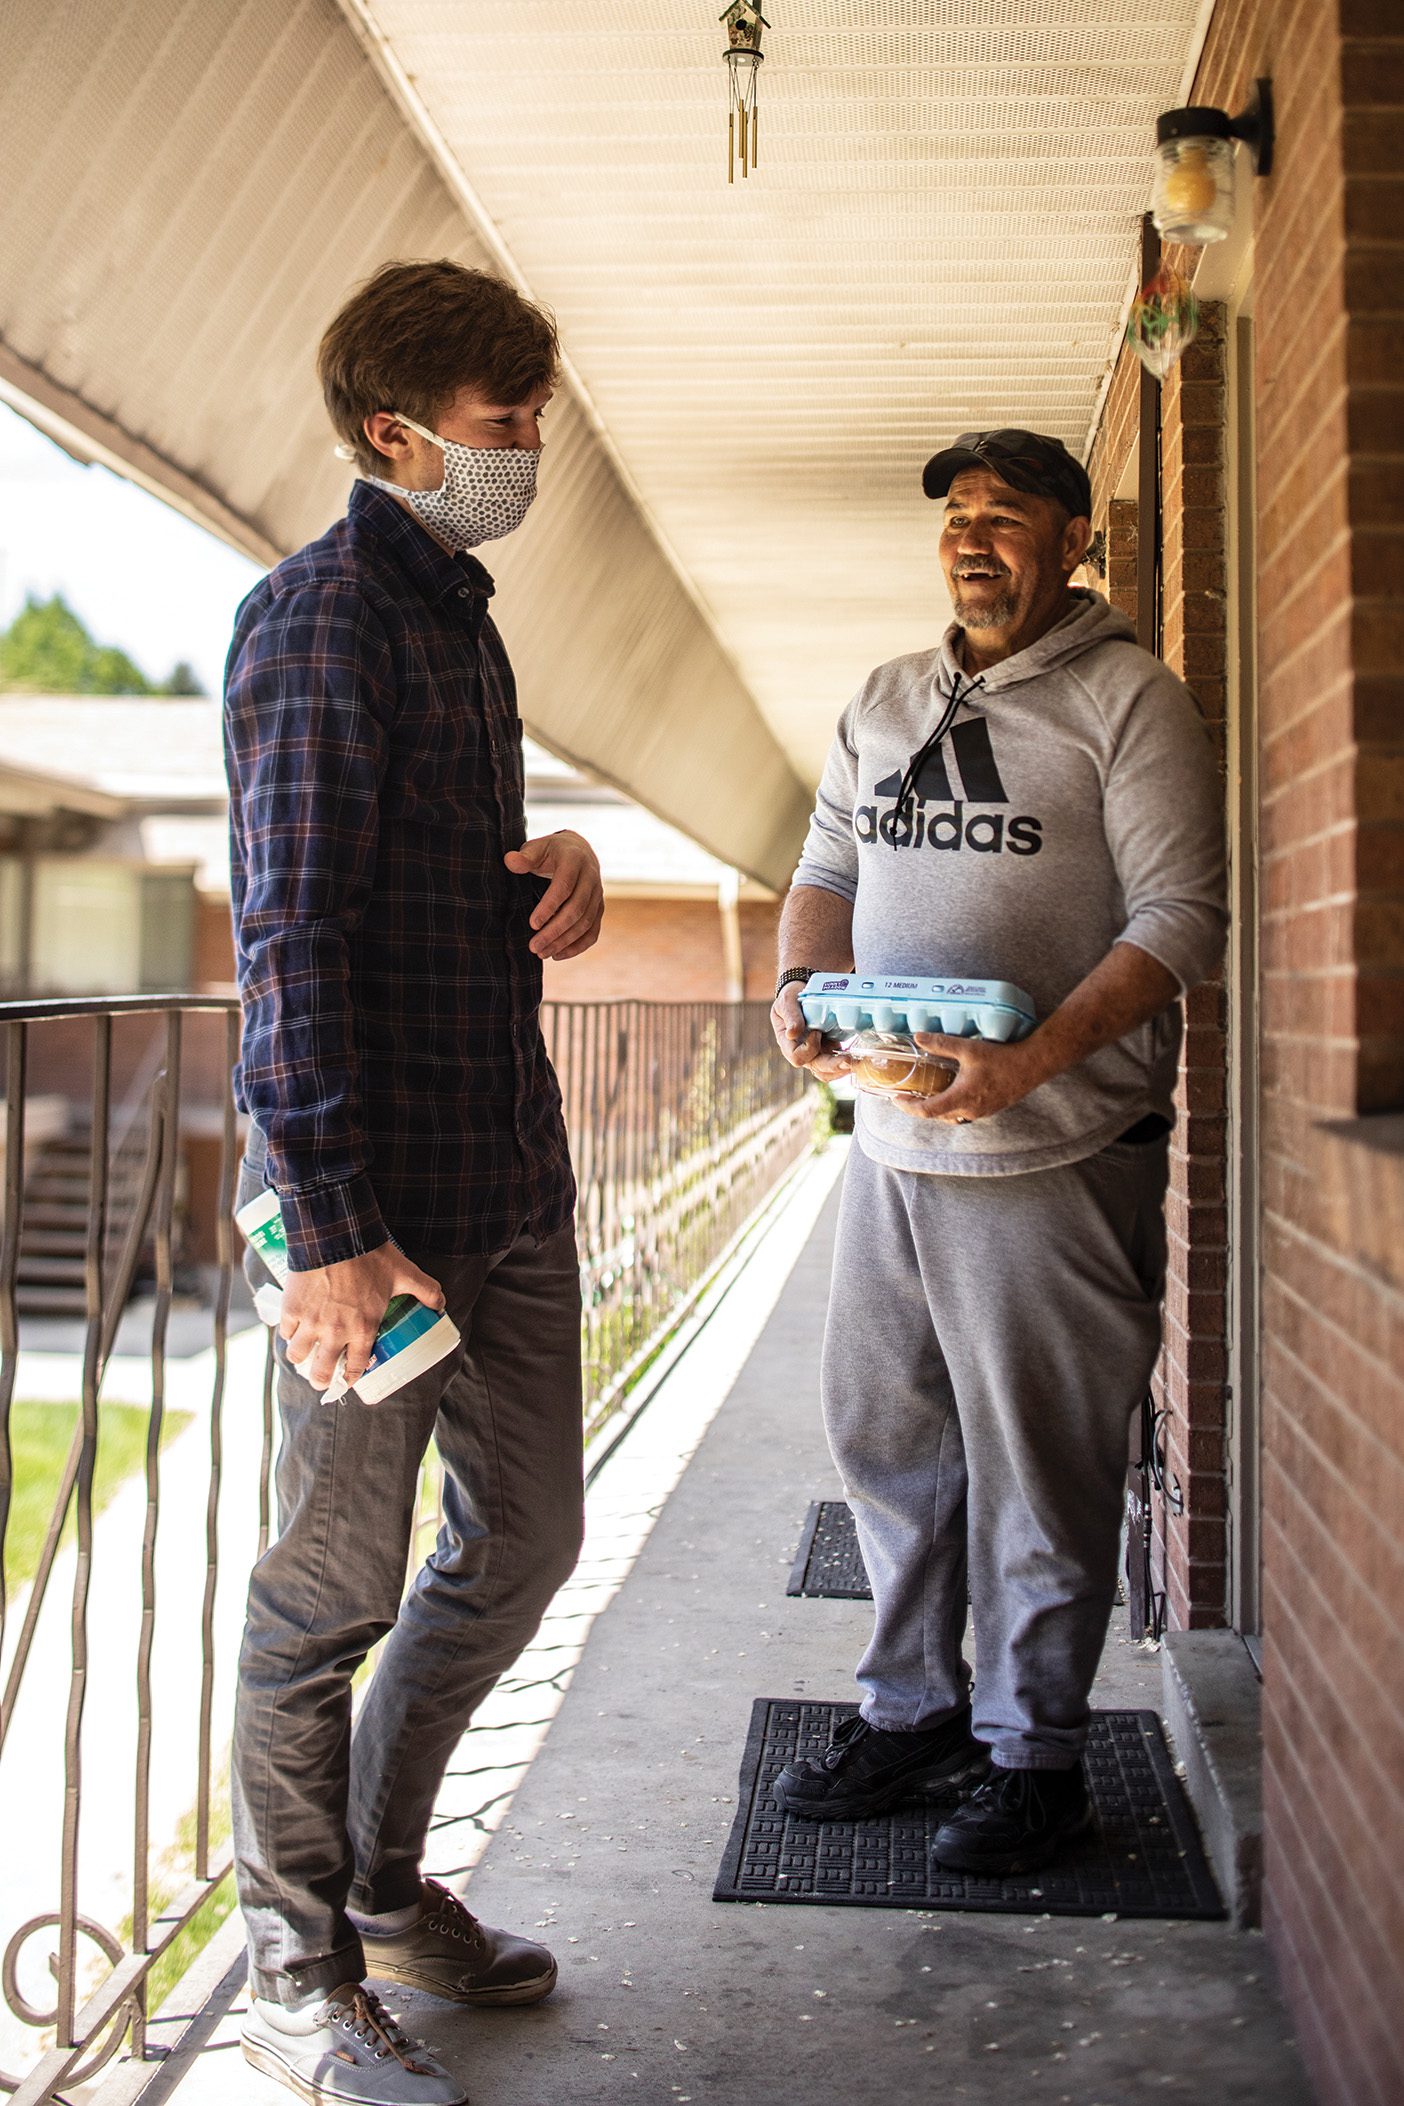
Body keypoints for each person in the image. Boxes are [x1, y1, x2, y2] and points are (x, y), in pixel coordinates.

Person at [224, 259, 604, 2106]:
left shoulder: (463, 618)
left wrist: (568, 867)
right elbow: (285, 936)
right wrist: (329, 1231)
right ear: (396, 433)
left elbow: (447, 870)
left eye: (531, 407)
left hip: (506, 1173)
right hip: (372, 1211)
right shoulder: (314, 622)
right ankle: (298, 1969)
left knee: (527, 1538)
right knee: (326, 1596)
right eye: (499, 415)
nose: (532, 441)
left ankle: (378, 1884)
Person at [769, 429, 1226, 1875]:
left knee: (1041, 1464)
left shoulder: (1130, 700)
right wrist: (798, 989)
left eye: (1008, 519)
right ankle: (914, 1712)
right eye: (958, 519)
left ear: (1076, 541)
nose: (974, 541)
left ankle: (1037, 1756)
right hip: (893, 1142)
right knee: (886, 1436)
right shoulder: (891, 697)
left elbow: (1181, 919)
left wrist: (1031, 1056)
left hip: (1057, 1151)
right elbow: (826, 868)